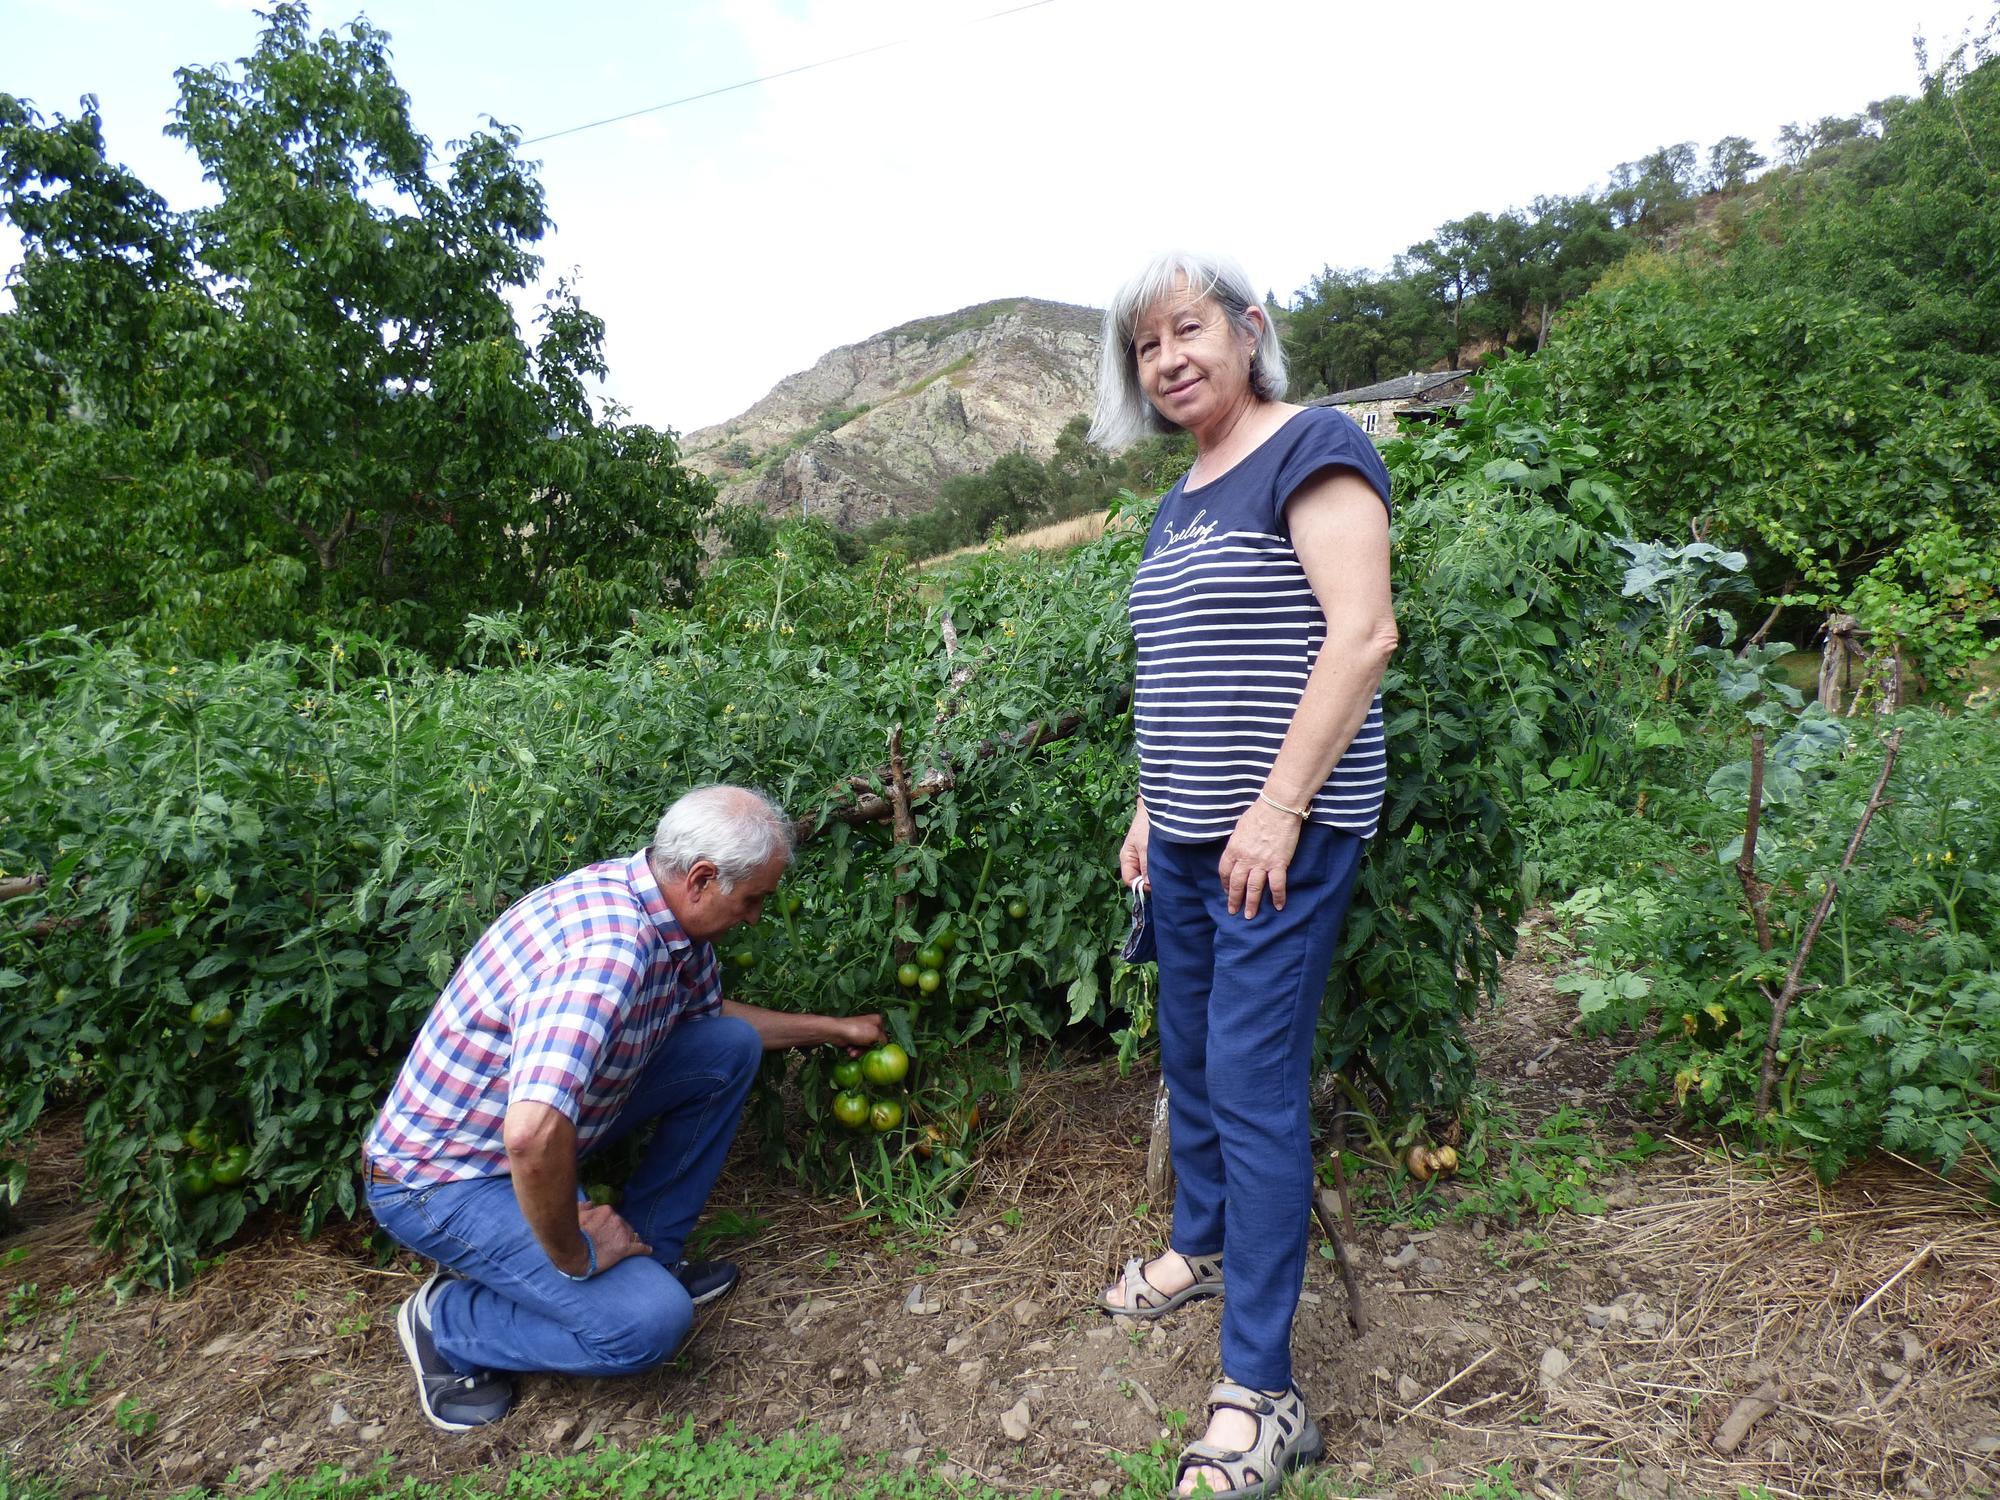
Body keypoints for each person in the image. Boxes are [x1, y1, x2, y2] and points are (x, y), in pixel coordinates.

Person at [1088, 252, 1397, 1499]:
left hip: (1281, 839)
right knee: (1194, 1056)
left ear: (1245, 331)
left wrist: (1274, 809)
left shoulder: (1308, 447)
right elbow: (1185, 668)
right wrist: (1151, 808)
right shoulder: (1179, 500)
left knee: (1255, 1083)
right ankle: (1201, 1243)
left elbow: (1360, 632)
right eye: (1144, 348)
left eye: (1186, 329)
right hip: (1190, 843)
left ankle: (1260, 1391)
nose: (1166, 359)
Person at [362, 784, 885, 1432]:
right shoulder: (608, 953)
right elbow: (529, 1135)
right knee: (649, 1324)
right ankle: (448, 1322)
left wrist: (834, 1029)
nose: (754, 917)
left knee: (727, 1048)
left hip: (528, 1137)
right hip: (442, 1180)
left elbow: (709, 1018)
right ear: (701, 878)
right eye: (752, 900)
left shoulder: (662, 912)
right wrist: (575, 1252)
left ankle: (647, 1255)